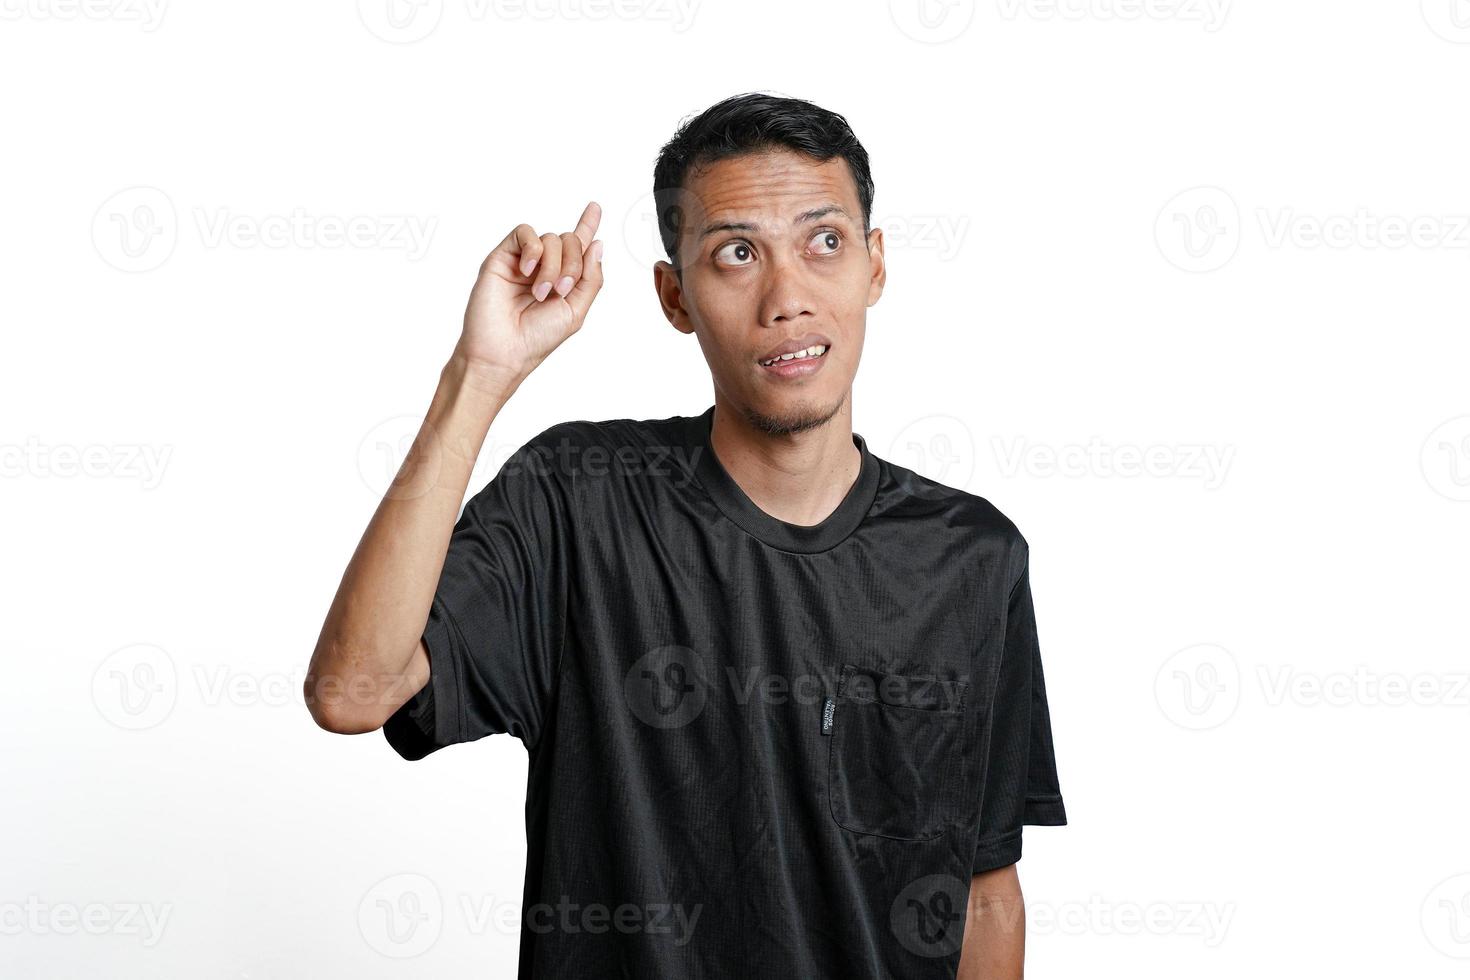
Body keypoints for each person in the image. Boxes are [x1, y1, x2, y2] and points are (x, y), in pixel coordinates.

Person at [305, 91, 1066, 980]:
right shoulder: (577, 504)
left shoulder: (972, 557)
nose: (788, 298)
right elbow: (353, 692)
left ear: (875, 265)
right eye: (737, 253)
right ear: (674, 295)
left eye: (825, 242)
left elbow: (984, 885)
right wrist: (478, 376)